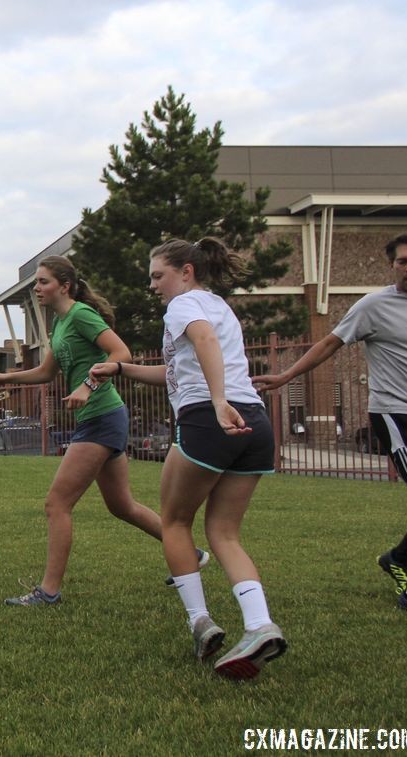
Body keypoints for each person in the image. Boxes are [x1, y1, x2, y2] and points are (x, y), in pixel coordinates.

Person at [92, 238, 286, 680]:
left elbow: (200, 342)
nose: (153, 285)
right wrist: (120, 368)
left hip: (209, 420)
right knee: (224, 533)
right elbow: (180, 368)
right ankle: (259, 624)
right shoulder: (218, 306)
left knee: (175, 522)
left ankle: (199, 620)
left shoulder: (183, 305)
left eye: (158, 275)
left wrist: (217, 402)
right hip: (254, 422)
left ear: (186, 271)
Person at [253, 232, 407, 616]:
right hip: (397, 413)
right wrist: (285, 377)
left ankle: (399, 558)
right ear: (392, 266)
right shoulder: (373, 306)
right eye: (403, 262)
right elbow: (329, 344)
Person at [0, 256, 174, 606]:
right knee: (123, 506)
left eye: (43, 282)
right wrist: (9, 378)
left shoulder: (82, 316)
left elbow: (122, 353)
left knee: (57, 504)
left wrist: (87, 385)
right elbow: (46, 372)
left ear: (64, 285)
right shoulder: (59, 325)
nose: (37, 289)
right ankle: (188, 554)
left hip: (102, 415)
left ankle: (49, 592)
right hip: (101, 418)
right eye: (36, 283)